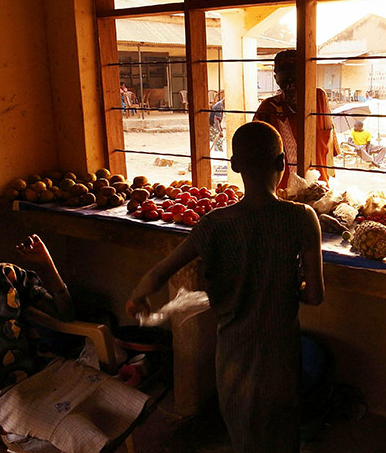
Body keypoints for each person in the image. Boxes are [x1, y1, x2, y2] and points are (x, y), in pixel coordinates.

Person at [126, 121, 325, 453]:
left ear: (234, 166)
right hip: (281, 351)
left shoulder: (214, 224)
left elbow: (159, 274)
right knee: (282, 430)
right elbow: (315, 296)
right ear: (282, 164)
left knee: (244, 429)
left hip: (234, 351)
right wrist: (288, 282)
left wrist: (138, 297)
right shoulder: (302, 218)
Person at [0, 208, 148, 453]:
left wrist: (47, 265)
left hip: (43, 369)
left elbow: (64, 314)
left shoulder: (8, 276)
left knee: (137, 406)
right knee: (83, 433)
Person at [254, 49, 335, 188]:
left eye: (296, 80)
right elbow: (253, 155)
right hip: (282, 193)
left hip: (318, 189)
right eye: (285, 81)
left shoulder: (319, 99)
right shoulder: (269, 107)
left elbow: (330, 147)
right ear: (276, 79)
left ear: (307, 76)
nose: (291, 87)